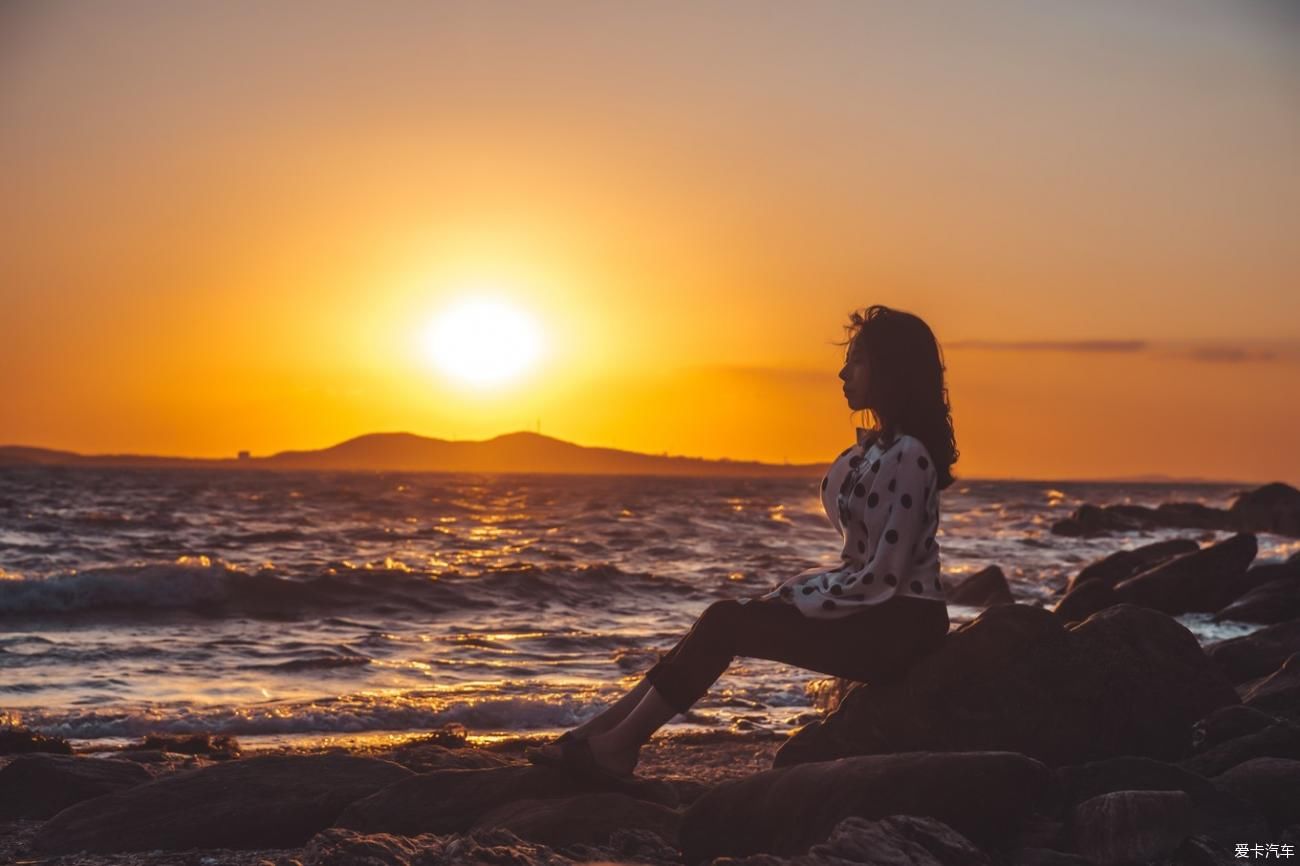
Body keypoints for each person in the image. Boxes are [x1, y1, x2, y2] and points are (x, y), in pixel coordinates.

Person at [526, 304, 959, 781]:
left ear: (891, 370)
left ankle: (614, 747)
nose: (842, 371)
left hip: (897, 627)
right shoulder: (877, 451)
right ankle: (601, 733)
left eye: (856, 360)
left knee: (728, 622)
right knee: (725, 618)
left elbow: (882, 577)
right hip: (876, 613)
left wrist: (799, 599)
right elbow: (863, 564)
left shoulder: (910, 456)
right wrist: (794, 597)